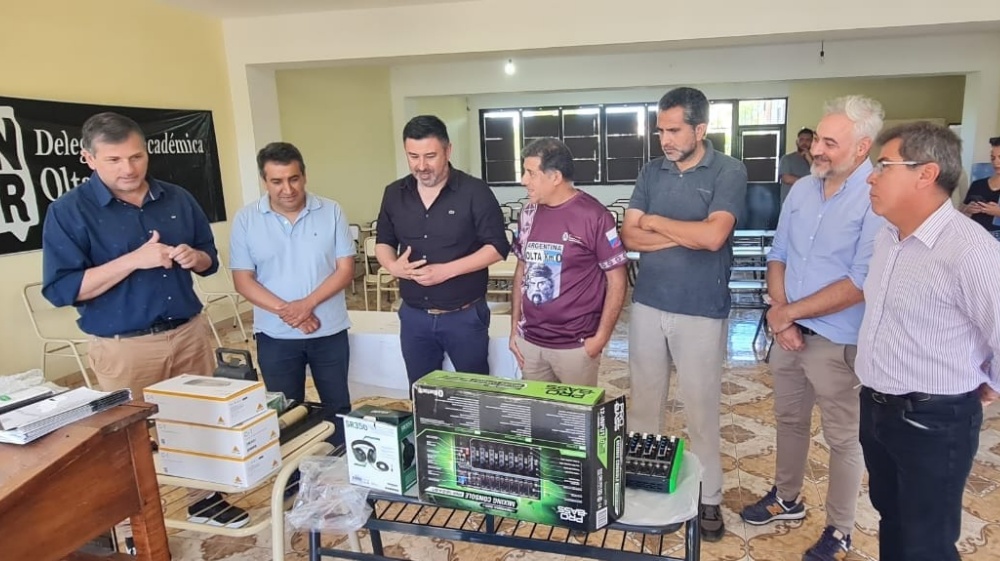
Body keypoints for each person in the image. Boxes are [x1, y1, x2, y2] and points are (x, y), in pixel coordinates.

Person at [41, 111, 248, 528]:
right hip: (125, 347)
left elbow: (209, 259)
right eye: (114, 160)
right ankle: (138, 526)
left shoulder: (177, 198)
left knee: (198, 422)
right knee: (127, 438)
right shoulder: (69, 212)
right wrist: (134, 260)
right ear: (88, 158)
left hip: (188, 333)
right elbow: (63, 289)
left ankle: (205, 501)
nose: (128, 168)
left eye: (136, 156)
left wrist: (193, 256)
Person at [740, 96, 886, 561]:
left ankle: (840, 529)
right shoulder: (803, 189)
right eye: (817, 139)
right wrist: (782, 313)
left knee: (843, 439)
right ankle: (787, 498)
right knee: (789, 420)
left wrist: (788, 313)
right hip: (789, 334)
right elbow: (778, 253)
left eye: (829, 143)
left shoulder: (875, 196)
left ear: (861, 148)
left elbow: (860, 281)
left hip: (837, 341)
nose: (816, 149)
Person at [858, 121, 1000, 561]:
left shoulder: (969, 249)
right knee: (892, 520)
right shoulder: (887, 237)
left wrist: (990, 384)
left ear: (926, 173)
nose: (871, 177)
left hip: (934, 420)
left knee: (927, 543)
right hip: (877, 408)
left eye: (884, 166)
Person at [622, 87, 748, 542]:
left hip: (700, 310)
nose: (666, 140)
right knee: (643, 404)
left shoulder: (729, 170)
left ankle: (709, 497)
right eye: (661, 131)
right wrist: (687, 233)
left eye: (674, 130)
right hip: (648, 305)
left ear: (700, 129)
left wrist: (656, 222)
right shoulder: (650, 171)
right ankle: (643, 488)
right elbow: (629, 236)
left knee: (701, 410)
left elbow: (714, 238)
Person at [230, 142, 354, 448]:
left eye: (294, 179)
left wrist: (306, 305)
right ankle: (294, 474)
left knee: (338, 408)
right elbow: (243, 280)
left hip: (329, 332)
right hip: (275, 336)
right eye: (277, 181)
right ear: (264, 181)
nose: (287, 189)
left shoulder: (331, 211)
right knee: (285, 414)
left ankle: (338, 468)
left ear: (304, 176)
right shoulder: (246, 219)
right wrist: (290, 312)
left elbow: (345, 270)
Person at [375, 115, 509, 385]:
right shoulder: (394, 193)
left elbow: (497, 247)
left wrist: (446, 271)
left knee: (473, 393)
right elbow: (383, 242)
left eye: (430, 156)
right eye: (413, 156)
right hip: (413, 317)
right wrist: (393, 266)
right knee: (422, 392)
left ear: (448, 151)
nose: (421, 166)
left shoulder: (475, 191)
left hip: (464, 317)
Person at [509, 138, 627, 387]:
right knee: (537, 410)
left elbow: (617, 280)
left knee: (577, 412)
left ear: (555, 177)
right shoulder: (528, 213)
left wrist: (600, 339)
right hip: (530, 343)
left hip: (575, 347)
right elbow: (522, 270)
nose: (523, 180)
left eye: (531, 173)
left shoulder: (594, 216)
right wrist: (514, 330)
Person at [959, 136, 1000, 233]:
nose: (996, 162)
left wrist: (997, 212)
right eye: (993, 158)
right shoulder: (977, 185)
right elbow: (961, 211)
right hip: (974, 235)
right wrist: (968, 209)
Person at [778, 128, 815, 204]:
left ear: (813, 142)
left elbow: (820, 178)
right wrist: (811, 182)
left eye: (808, 140)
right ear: (797, 142)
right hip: (790, 203)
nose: (804, 143)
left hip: (810, 202)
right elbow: (787, 179)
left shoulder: (817, 161)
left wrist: (810, 160)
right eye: (801, 140)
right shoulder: (787, 158)